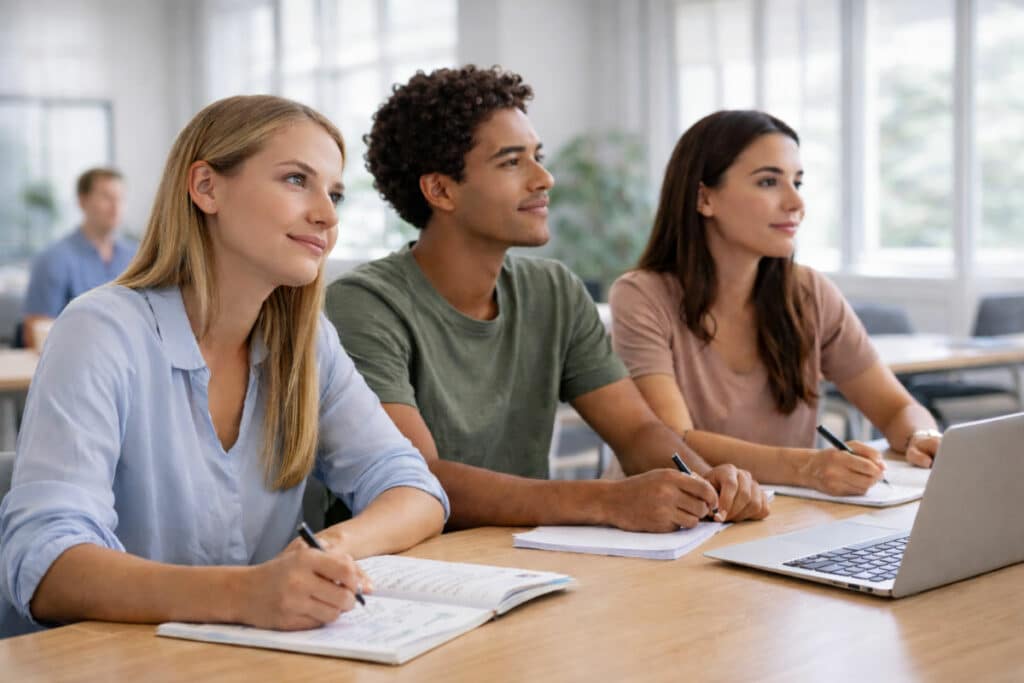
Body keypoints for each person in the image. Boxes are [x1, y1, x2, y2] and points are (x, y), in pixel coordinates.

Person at [0, 95, 448, 638]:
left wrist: (327, 552)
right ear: (206, 187)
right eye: (294, 180)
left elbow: (414, 489)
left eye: (333, 194)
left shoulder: (307, 344)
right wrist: (247, 593)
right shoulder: (101, 330)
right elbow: (46, 565)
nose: (328, 215)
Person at [325, 66, 770, 533]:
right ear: (441, 190)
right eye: (512, 162)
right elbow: (418, 480)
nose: (545, 179)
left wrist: (703, 481)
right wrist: (606, 501)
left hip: (524, 564)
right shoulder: (364, 306)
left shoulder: (553, 290)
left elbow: (638, 432)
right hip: (398, 576)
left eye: (538, 156)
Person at [608, 109, 942, 497]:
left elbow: (896, 408)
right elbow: (674, 443)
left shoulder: (810, 293)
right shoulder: (641, 296)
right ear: (704, 198)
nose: (795, 202)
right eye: (769, 182)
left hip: (778, 514)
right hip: (671, 523)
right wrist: (809, 467)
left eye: (797, 182)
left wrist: (923, 434)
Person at [20, 167, 137, 349]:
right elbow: (35, 331)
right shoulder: (52, 259)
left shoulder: (136, 256)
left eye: (120, 198)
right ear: (82, 202)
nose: (116, 207)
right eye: (106, 197)